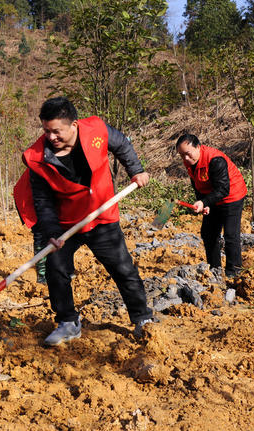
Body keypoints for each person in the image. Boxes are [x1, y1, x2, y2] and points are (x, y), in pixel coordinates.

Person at [14, 97, 153, 346]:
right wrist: (52, 231)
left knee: (123, 268)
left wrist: (136, 170)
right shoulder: (37, 157)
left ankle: (142, 318)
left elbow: (121, 144)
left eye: (57, 131)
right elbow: (42, 200)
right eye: (46, 131)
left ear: (74, 125)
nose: (51, 137)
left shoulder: (96, 130)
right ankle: (68, 322)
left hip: (101, 214)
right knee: (56, 272)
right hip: (66, 222)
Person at [176, 134, 247, 277]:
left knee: (230, 235)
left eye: (188, 154)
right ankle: (215, 270)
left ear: (198, 147)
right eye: (182, 155)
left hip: (232, 195)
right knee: (208, 233)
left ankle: (234, 273)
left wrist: (204, 202)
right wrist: (203, 202)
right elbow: (196, 183)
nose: (185, 159)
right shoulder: (189, 161)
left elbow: (223, 189)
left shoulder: (215, 160)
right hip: (212, 197)